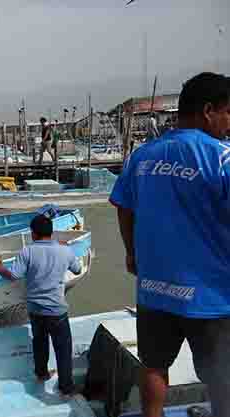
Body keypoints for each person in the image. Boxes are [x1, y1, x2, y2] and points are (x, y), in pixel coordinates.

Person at [109, 72, 230, 417]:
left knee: (154, 366)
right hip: (211, 296)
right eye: (229, 113)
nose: (229, 123)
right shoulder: (222, 157)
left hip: (154, 288)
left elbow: (123, 206)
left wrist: (132, 252)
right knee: (222, 377)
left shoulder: (142, 156)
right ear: (208, 110)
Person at [0, 215, 81, 397]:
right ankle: (66, 388)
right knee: (63, 349)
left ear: (33, 233)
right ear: (51, 232)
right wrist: (67, 250)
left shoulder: (27, 252)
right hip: (57, 311)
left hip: (35, 309)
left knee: (40, 343)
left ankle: (42, 374)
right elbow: (77, 269)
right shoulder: (64, 251)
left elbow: (14, 275)